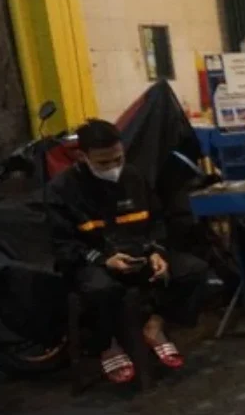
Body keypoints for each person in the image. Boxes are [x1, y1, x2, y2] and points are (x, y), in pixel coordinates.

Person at [48, 119, 208, 384]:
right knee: (101, 290)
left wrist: (157, 252)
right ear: (82, 156)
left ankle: (155, 326)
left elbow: (156, 221)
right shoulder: (63, 190)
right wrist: (103, 259)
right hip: (93, 263)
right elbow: (62, 245)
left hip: (138, 256)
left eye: (117, 159)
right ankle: (108, 344)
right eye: (103, 163)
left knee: (194, 271)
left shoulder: (134, 177)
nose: (113, 168)